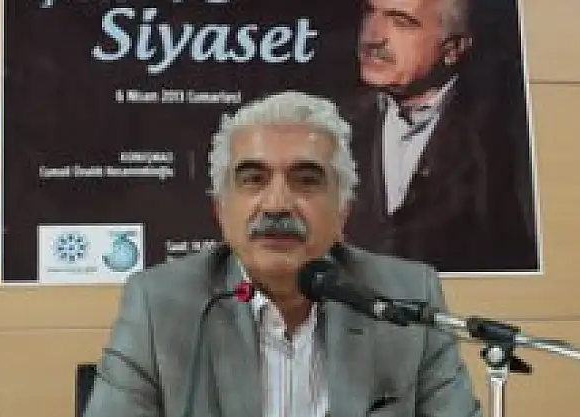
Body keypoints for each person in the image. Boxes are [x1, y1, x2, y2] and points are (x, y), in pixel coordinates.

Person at [83, 91, 482, 417]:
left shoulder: (403, 300)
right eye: (254, 179)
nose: (277, 204)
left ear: (342, 211)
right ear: (221, 210)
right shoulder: (160, 306)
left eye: (305, 180)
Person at [340, 0, 538, 273]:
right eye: (370, 13)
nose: (372, 37)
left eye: (401, 23)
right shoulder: (339, 125)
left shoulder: (505, 135)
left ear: (453, 49)